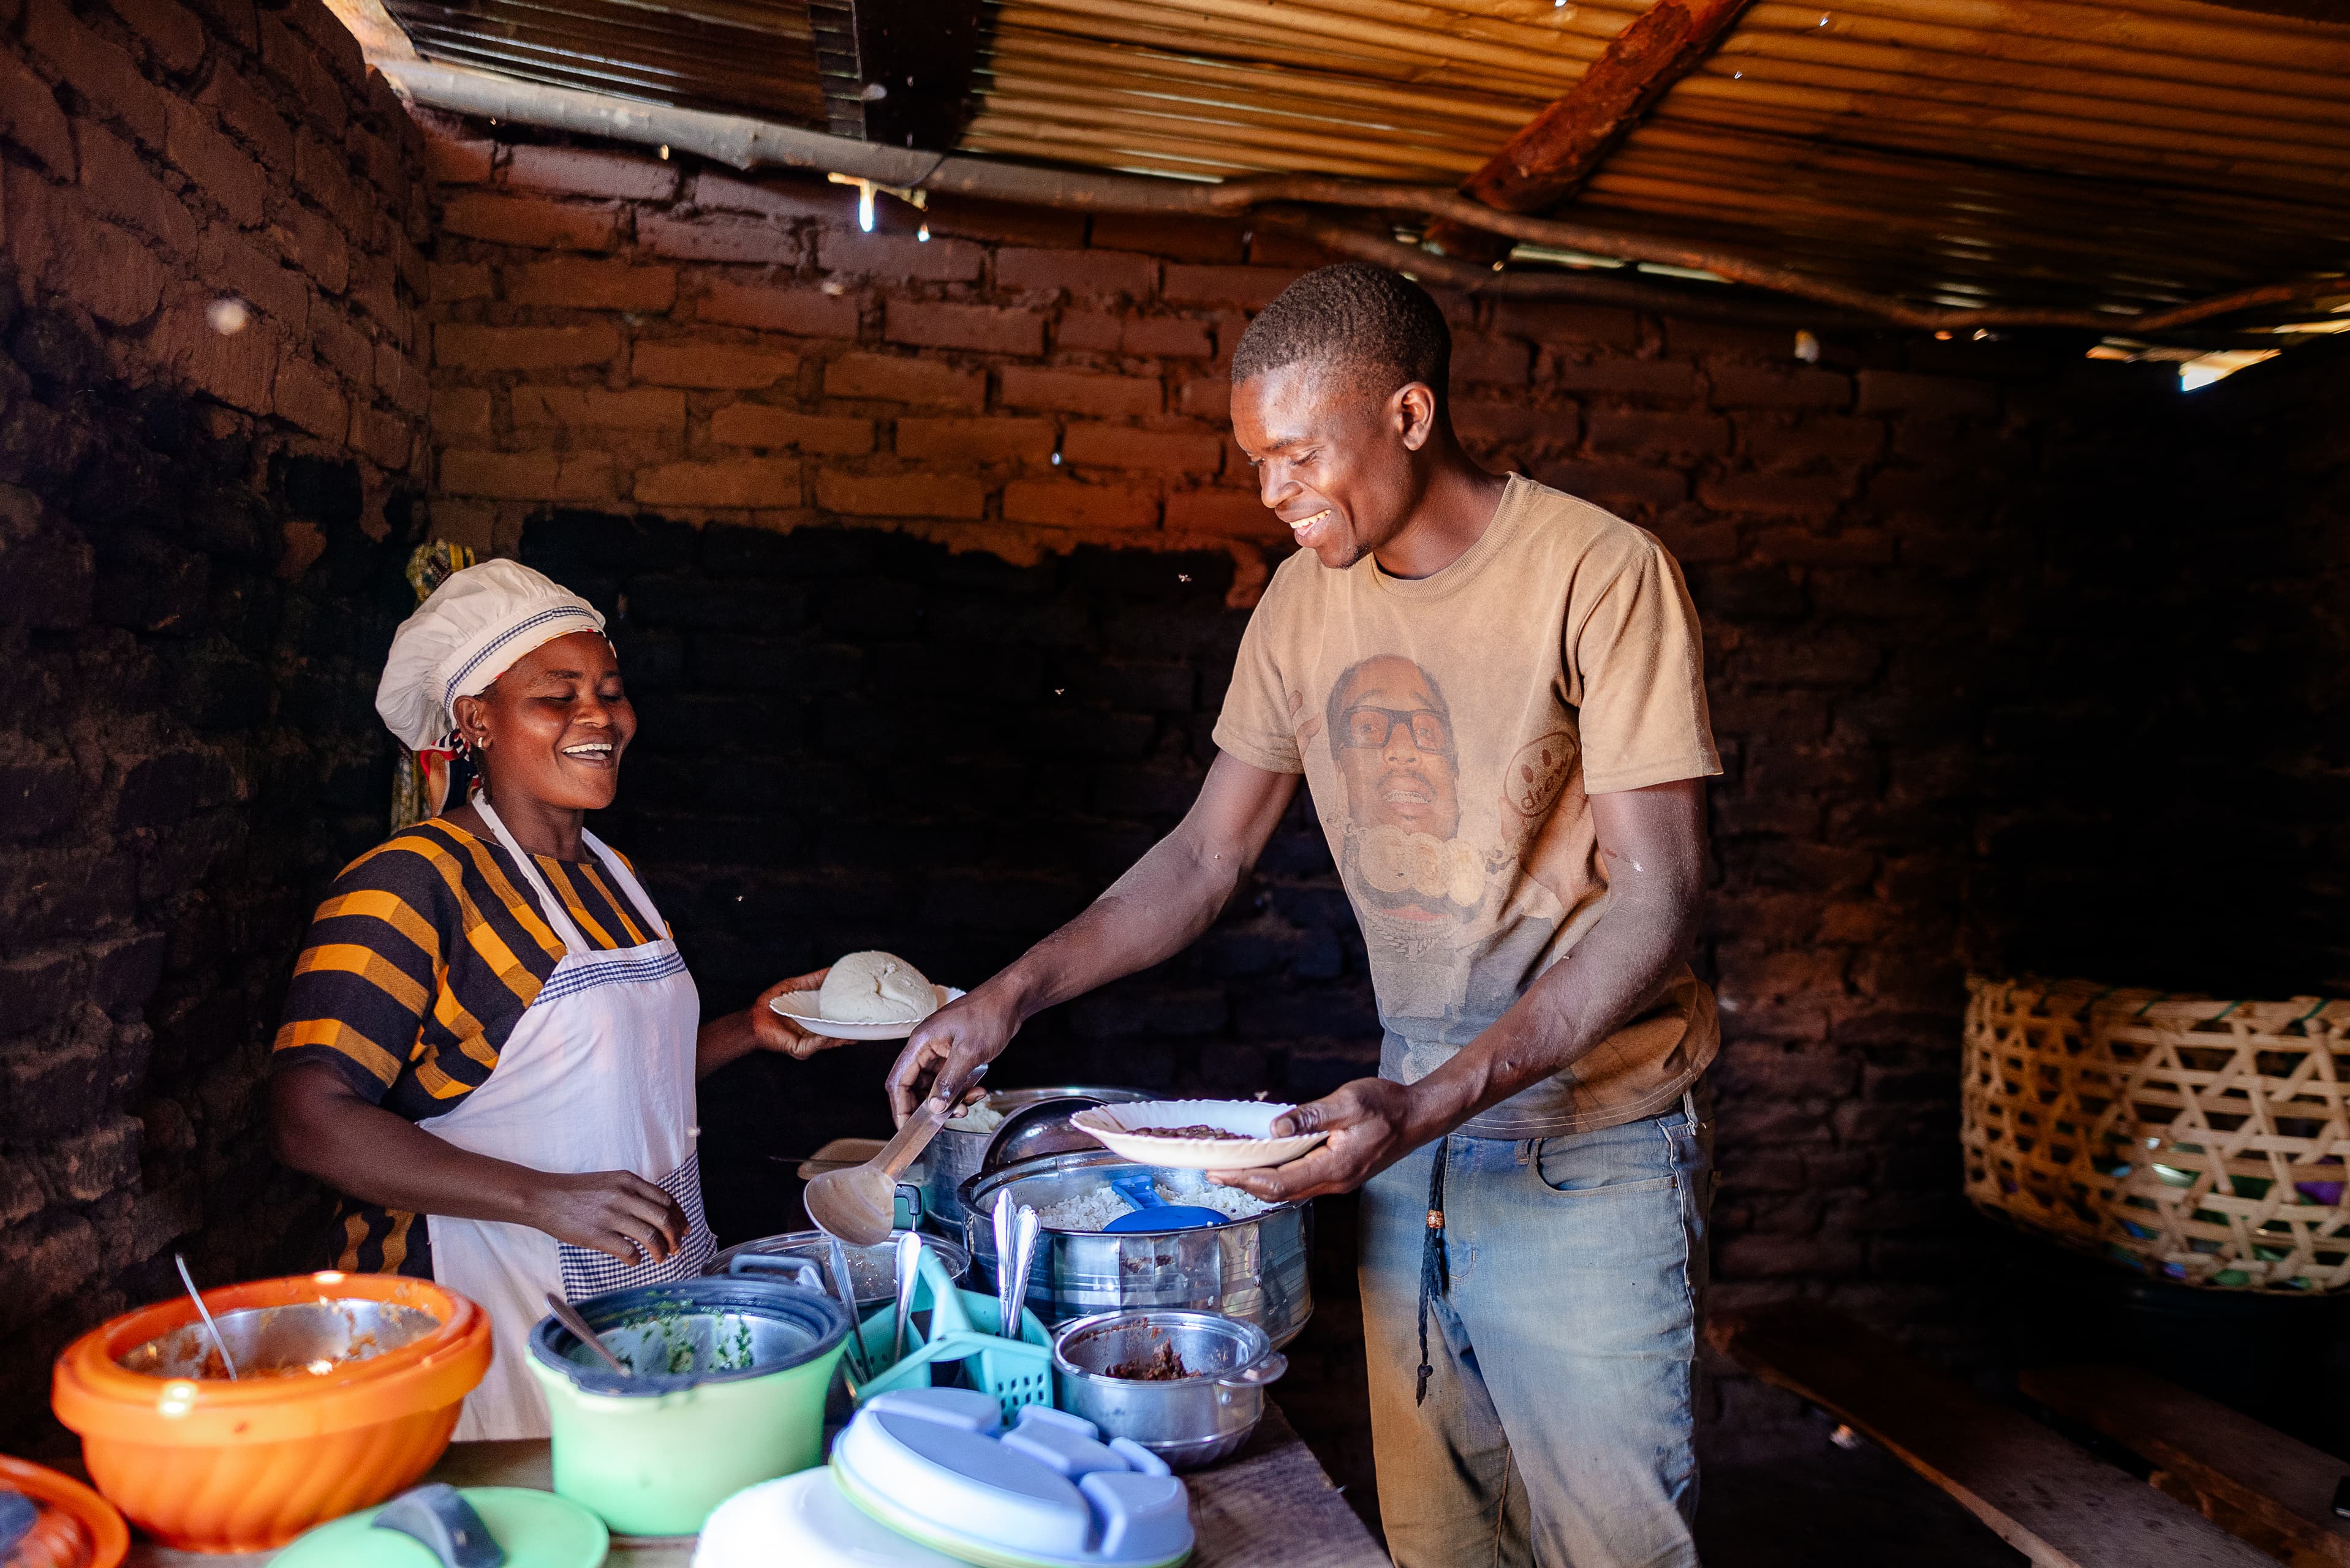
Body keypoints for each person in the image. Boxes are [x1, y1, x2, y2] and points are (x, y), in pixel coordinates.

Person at [890, 263, 1721, 1566]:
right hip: (1406, 1150)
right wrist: (1005, 995)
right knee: (1446, 1541)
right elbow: (1202, 861)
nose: (1273, 492)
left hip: (1585, 1158)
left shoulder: (1599, 574)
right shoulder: (1299, 603)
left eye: (1295, 455)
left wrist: (1433, 1099)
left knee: (1611, 1549)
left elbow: (1660, 899)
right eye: (1256, 463)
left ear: (1406, 414)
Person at [268, 560, 835, 1439]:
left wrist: (746, 1031)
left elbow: (604, 1080)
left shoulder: (616, 878)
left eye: (609, 691)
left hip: (647, 1290)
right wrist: (545, 1198)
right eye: (556, 695)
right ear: (476, 721)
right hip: (473, 1314)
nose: (598, 717)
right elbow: (308, 1117)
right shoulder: (408, 885)